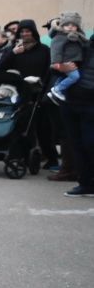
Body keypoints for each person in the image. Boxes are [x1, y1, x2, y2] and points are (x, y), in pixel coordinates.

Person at [0, 17, 56, 167]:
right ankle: (21, 156)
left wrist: (44, 90)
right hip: (19, 93)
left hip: (38, 92)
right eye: (22, 31)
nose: (25, 34)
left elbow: (48, 72)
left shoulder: (44, 50)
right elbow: (1, 66)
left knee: (43, 127)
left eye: (28, 31)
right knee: (21, 126)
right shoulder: (14, 49)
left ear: (34, 32)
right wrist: (13, 53)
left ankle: (51, 158)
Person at [50, 12, 94, 195]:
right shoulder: (84, 43)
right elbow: (58, 64)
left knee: (89, 143)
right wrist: (60, 67)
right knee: (77, 144)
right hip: (71, 100)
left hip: (89, 102)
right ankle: (85, 183)